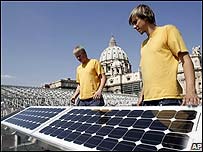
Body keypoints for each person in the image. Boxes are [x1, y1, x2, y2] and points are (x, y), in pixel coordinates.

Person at [128, 4, 200, 106]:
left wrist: (191, 91)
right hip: (148, 101)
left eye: (136, 22)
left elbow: (186, 60)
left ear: (145, 16)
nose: (134, 26)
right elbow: (148, 72)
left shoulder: (168, 30)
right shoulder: (143, 44)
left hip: (168, 98)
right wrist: (142, 95)